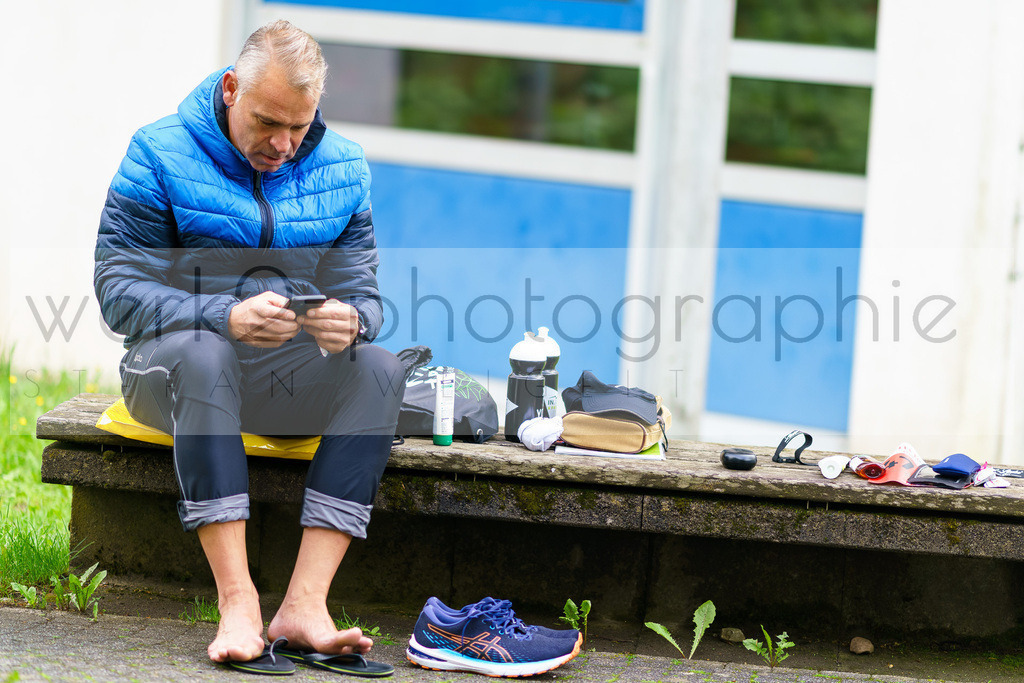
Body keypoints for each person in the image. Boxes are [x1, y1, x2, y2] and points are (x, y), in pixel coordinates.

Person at [94, 20, 405, 670]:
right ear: (232, 88)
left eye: (298, 127)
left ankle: (305, 606)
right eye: (267, 122)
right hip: (171, 369)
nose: (283, 145)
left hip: (280, 377)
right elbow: (118, 290)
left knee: (377, 368)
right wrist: (225, 317)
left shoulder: (344, 166)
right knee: (206, 355)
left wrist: (350, 321)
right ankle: (238, 604)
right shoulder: (159, 152)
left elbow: (366, 297)